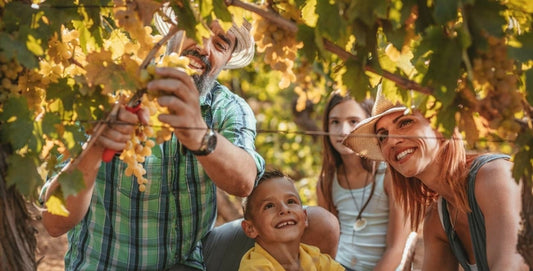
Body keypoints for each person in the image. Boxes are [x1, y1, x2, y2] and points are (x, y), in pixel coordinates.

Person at [40, 9, 339, 270]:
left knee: (320, 225)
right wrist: (95, 149)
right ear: (172, 30)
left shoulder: (228, 108)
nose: (204, 48)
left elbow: (245, 181)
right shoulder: (110, 90)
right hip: (108, 265)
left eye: (220, 44)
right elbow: (54, 224)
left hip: (192, 262)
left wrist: (200, 135)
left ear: (227, 58)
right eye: (195, 31)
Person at [343, 89, 528, 271]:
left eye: (405, 122)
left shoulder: (493, 175)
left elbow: (512, 265)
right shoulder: (438, 219)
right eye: (383, 136)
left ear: (440, 127)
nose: (391, 141)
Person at [316, 91, 411, 271]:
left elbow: (396, 248)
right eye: (335, 122)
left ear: (368, 126)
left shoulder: (389, 176)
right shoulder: (326, 182)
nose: (343, 131)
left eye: (353, 121)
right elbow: (327, 246)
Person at [239, 169, 345, 271]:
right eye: (269, 206)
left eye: (290, 201)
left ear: (305, 217)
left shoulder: (312, 256)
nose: (284, 209)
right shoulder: (254, 268)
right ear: (250, 228)